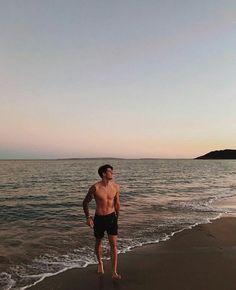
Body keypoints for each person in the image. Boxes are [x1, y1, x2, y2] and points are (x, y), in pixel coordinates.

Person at [82, 164, 121, 280]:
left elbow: (117, 203)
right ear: (104, 173)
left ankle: (114, 272)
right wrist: (88, 217)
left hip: (112, 218)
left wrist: (117, 217)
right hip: (99, 219)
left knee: (113, 245)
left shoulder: (116, 187)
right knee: (98, 242)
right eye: (110, 171)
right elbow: (85, 203)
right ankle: (100, 262)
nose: (112, 173)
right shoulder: (95, 188)